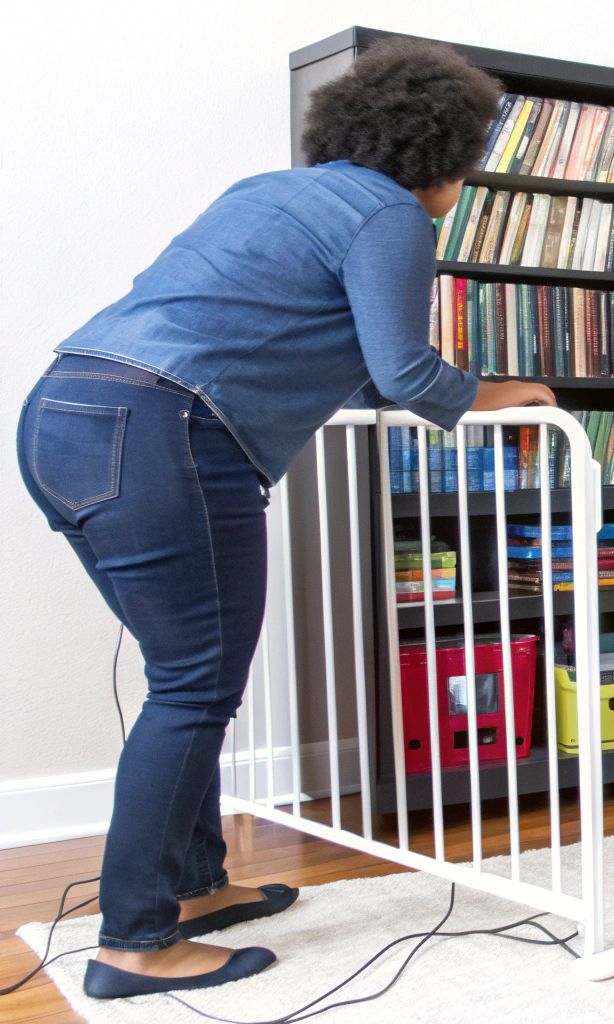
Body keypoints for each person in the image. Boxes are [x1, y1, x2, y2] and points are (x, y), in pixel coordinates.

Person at [15, 39, 554, 999]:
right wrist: (519, 394)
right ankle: (134, 943)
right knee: (192, 689)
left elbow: (283, 333)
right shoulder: (391, 213)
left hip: (64, 415)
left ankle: (189, 892)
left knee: (181, 676)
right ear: (446, 155)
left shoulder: (266, 191)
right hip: (168, 434)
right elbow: (407, 374)